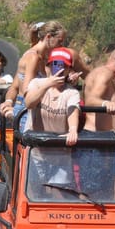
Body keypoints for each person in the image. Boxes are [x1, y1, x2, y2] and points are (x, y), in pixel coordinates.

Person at [25, 47, 81, 196]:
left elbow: (72, 110)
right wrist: (48, 84)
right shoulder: (37, 84)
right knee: (32, 193)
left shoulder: (71, 92)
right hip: (36, 152)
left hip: (59, 154)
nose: (59, 69)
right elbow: (29, 103)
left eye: (64, 66)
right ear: (48, 66)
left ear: (69, 69)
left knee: (58, 194)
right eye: (55, 64)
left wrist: (73, 129)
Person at [78, 47, 115, 197]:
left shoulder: (100, 74)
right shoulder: (105, 73)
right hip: (96, 142)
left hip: (103, 142)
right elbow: (91, 100)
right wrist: (106, 104)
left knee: (104, 194)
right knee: (92, 193)